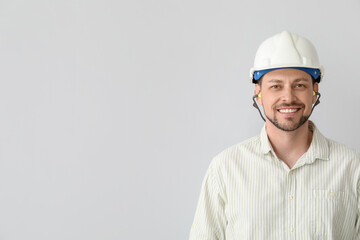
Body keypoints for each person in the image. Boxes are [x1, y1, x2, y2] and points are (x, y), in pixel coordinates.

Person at [189, 31, 360, 239]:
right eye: (276, 86)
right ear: (258, 93)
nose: (288, 97)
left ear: (314, 91)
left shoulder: (352, 167)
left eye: (299, 85)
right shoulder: (225, 169)